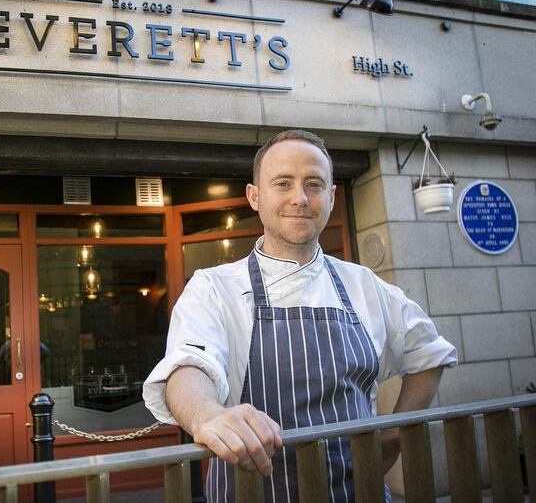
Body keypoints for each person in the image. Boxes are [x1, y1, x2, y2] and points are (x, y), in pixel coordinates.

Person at [143, 130, 457, 503]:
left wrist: (394, 433)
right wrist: (207, 416)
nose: (300, 198)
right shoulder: (213, 288)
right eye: (283, 183)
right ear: (254, 197)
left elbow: (431, 354)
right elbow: (188, 367)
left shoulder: (364, 286)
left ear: (331, 196)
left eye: (314, 184)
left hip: (361, 491)